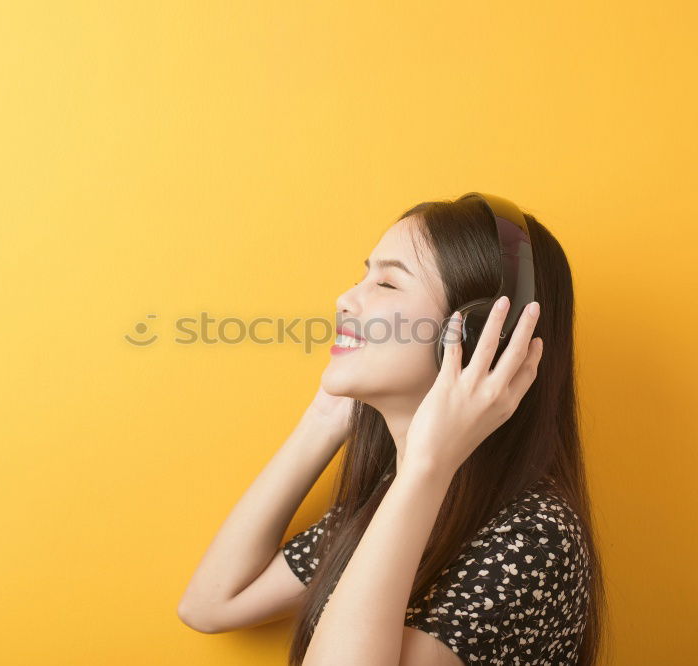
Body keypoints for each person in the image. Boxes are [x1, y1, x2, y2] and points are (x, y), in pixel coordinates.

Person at [178, 195, 605, 665]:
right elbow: (211, 604)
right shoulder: (393, 494)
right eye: (361, 276)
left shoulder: (534, 536)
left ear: (480, 332)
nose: (346, 299)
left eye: (387, 282)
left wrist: (427, 465)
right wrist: (326, 416)